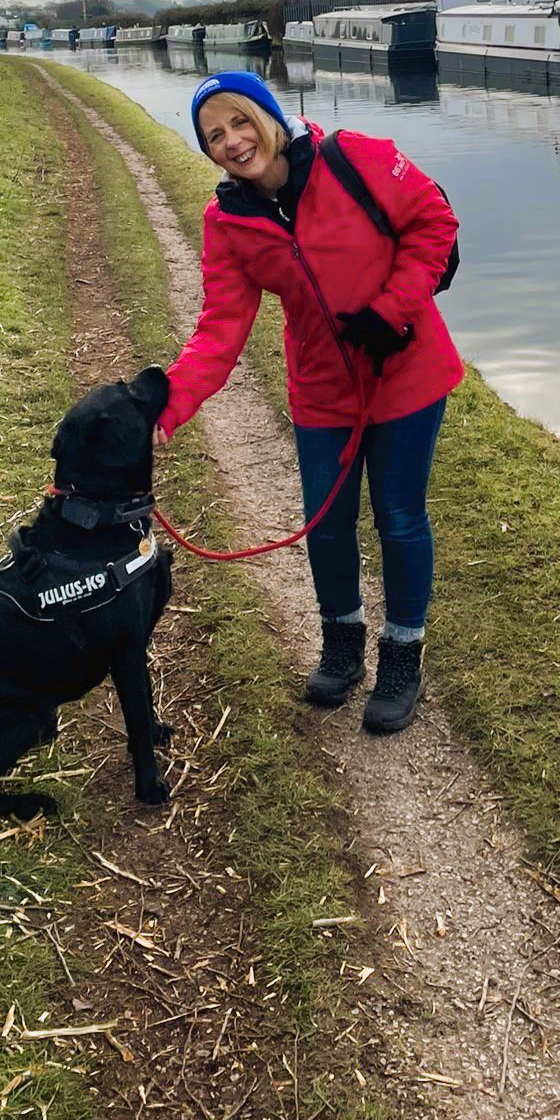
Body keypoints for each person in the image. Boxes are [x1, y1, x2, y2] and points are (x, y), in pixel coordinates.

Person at [156, 70, 463, 733]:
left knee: (399, 516)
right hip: (322, 387)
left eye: (241, 121)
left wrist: (391, 309)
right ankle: (342, 642)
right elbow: (220, 326)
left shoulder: (358, 156)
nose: (233, 141)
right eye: (214, 135)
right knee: (325, 520)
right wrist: (166, 407)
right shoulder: (228, 220)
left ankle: (402, 653)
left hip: (404, 372)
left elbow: (433, 224)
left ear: (267, 116)